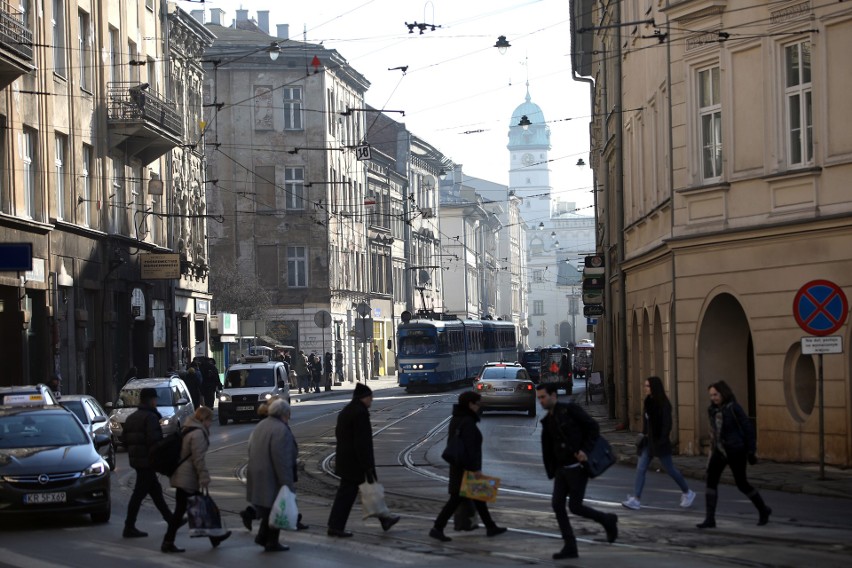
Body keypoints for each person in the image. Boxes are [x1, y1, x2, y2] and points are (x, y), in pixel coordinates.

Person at [536, 383, 618, 559]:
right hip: (561, 469)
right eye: (539, 398)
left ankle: (607, 519)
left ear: (553, 396)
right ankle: (570, 545)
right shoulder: (547, 420)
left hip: (577, 468)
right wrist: (552, 468)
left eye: (543, 397)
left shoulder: (570, 410)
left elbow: (593, 427)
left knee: (575, 506)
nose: (541, 401)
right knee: (558, 505)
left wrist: (585, 451)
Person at [429, 391, 507, 542]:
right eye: (478, 404)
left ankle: (490, 526)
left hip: (459, 465)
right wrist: (475, 469)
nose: (479, 407)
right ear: (471, 404)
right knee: (456, 499)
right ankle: (437, 527)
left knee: (478, 497)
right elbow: (470, 448)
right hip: (465, 467)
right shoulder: (468, 421)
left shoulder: (457, 419)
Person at [327, 383, 400, 537]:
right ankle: (335, 526)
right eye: (370, 398)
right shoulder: (360, 413)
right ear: (364, 398)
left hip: (347, 459)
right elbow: (362, 442)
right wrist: (367, 465)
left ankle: (384, 519)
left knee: (369, 491)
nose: (371, 401)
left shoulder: (347, 410)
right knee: (347, 495)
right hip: (355, 462)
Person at [697, 380, 772, 529]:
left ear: (723, 393)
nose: (713, 398)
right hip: (719, 451)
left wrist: (751, 451)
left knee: (741, 483)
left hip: (735, 450)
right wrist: (710, 457)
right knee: (711, 481)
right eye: (711, 395)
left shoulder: (733, 408)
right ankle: (710, 519)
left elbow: (747, 428)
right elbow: (713, 434)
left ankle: (763, 509)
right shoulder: (712, 410)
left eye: (716, 394)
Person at [161, 406, 231, 553]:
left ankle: (212, 537)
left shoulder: (189, 428)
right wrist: (204, 477)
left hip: (182, 476)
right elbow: (198, 458)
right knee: (199, 507)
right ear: (203, 419)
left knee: (184, 510)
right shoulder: (198, 433)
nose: (210, 423)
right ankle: (168, 542)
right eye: (209, 420)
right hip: (186, 478)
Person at [622, 376, 696, 510]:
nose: (645, 388)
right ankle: (636, 499)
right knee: (641, 468)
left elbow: (667, 424)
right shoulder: (648, 401)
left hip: (659, 442)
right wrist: (642, 434)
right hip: (648, 442)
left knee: (670, 469)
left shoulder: (664, 404)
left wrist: (662, 439)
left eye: (648, 386)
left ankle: (687, 492)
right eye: (645, 385)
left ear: (654, 388)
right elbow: (647, 423)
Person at [122, 387, 175, 538]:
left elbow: (125, 441)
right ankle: (129, 526)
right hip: (147, 462)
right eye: (155, 399)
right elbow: (154, 441)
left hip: (138, 462)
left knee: (156, 492)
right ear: (151, 400)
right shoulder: (150, 418)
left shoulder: (132, 417)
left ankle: (171, 520)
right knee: (138, 494)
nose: (156, 402)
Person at [246, 398, 298, 552]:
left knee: (269, 508)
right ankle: (272, 541)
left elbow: (250, 448)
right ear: (284, 413)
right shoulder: (280, 430)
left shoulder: (261, 425)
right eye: (288, 413)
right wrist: (286, 482)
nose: (288, 416)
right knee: (278, 508)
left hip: (258, 471)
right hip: (272, 475)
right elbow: (281, 458)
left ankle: (262, 537)